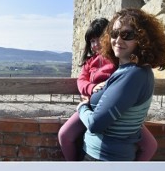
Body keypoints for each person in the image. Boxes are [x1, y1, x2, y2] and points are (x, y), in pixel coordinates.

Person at [76, 8, 165, 161]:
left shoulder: (134, 75)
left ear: (142, 39)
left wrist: (82, 108)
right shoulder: (131, 71)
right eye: (114, 34)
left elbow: (95, 124)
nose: (117, 40)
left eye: (126, 35)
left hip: (103, 159)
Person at [58, 17, 158, 161]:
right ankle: (72, 165)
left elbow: (122, 87)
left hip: (116, 112)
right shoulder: (90, 62)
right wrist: (91, 88)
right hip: (93, 109)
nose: (96, 44)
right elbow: (81, 80)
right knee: (64, 134)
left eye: (98, 39)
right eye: (92, 41)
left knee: (150, 145)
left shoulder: (119, 61)